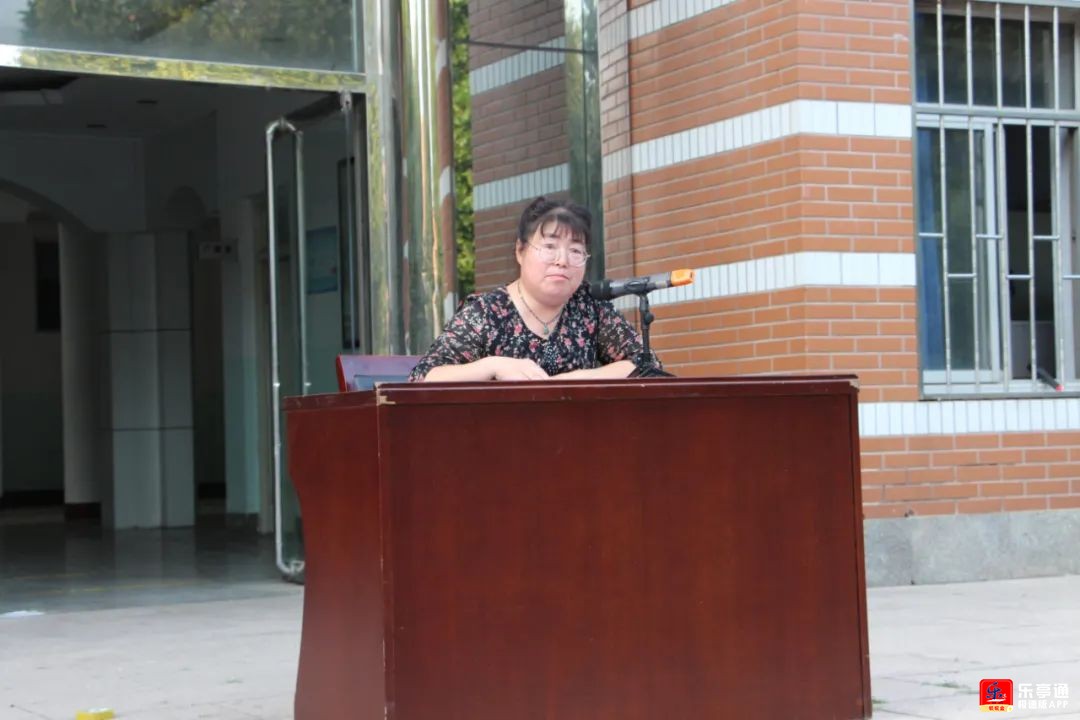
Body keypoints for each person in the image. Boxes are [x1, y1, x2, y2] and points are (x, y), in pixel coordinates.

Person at [409, 196, 662, 382]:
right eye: (550, 247)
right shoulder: (486, 313)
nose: (562, 260)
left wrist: (576, 379)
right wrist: (493, 366)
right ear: (520, 251)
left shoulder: (589, 306)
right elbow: (423, 376)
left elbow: (647, 364)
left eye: (575, 250)